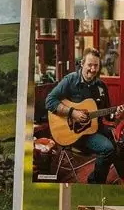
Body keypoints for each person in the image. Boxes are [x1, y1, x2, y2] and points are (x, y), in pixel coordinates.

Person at [45, 47, 124, 184]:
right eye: (90, 65)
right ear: (82, 63)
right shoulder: (70, 80)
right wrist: (72, 112)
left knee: (119, 145)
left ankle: (121, 178)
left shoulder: (101, 86)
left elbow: (107, 115)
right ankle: (94, 183)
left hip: (95, 128)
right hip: (76, 134)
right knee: (108, 149)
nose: (93, 69)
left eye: (96, 66)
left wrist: (116, 114)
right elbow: (49, 101)